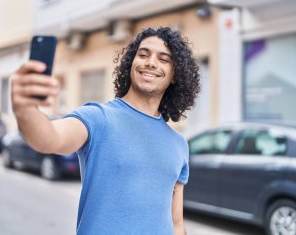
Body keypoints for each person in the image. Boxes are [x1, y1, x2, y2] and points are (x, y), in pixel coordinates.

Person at [11, 27, 201, 235]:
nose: (151, 62)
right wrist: (25, 108)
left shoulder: (179, 144)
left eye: (164, 59)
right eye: (143, 55)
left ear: (175, 75)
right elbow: (48, 139)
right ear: (131, 63)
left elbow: (177, 223)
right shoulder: (97, 118)